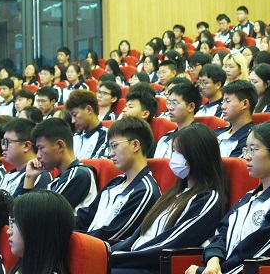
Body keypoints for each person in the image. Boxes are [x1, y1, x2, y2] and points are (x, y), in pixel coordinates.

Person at [187, 121, 270, 274]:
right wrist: (213, 261)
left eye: (253, 149)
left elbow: (260, 253)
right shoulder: (249, 197)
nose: (246, 157)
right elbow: (222, 233)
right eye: (246, 149)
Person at [111, 123, 229, 273]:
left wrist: (115, 259)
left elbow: (172, 243)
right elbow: (139, 235)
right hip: (135, 261)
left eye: (179, 152)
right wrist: (107, 253)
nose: (174, 157)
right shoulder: (173, 193)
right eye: (173, 150)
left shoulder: (207, 200)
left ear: (197, 156)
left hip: (153, 267)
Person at [76, 117, 161, 240]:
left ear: (135, 145)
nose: (111, 153)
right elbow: (84, 217)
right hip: (87, 243)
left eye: (115, 146)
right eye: (110, 147)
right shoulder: (115, 183)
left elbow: (111, 236)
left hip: (104, 250)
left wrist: (73, 238)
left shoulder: (145, 191)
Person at [23, 118, 97, 211]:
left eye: (41, 148)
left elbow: (41, 214)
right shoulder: (59, 179)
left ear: (60, 145)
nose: (37, 156)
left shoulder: (78, 174)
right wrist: (29, 178)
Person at [7, 190, 74, 274]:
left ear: (37, 231)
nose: (8, 231)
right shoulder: (21, 268)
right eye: (11, 222)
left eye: (15, 223)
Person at [0, 119, 52, 198]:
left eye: (7, 142)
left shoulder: (37, 174)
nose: (3, 148)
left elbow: (23, 205)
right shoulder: (8, 175)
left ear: (26, 146)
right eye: (3, 142)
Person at [154, 83, 201, 158]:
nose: (170, 108)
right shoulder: (164, 138)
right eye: (169, 103)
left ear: (191, 107)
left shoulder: (199, 139)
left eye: (174, 103)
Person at [215, 80, 256, 158]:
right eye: (223, 102)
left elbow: (232, 165)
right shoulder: (216, 132)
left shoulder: (251, 139)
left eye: (228, 101)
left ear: (245, 104)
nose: (223, 106)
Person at [65, 89, 109, 159]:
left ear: (88, 110)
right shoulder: (74, 137)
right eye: (71, 117)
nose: (73, 121)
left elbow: (96, 165)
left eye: (75, 115)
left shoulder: (107, 136)